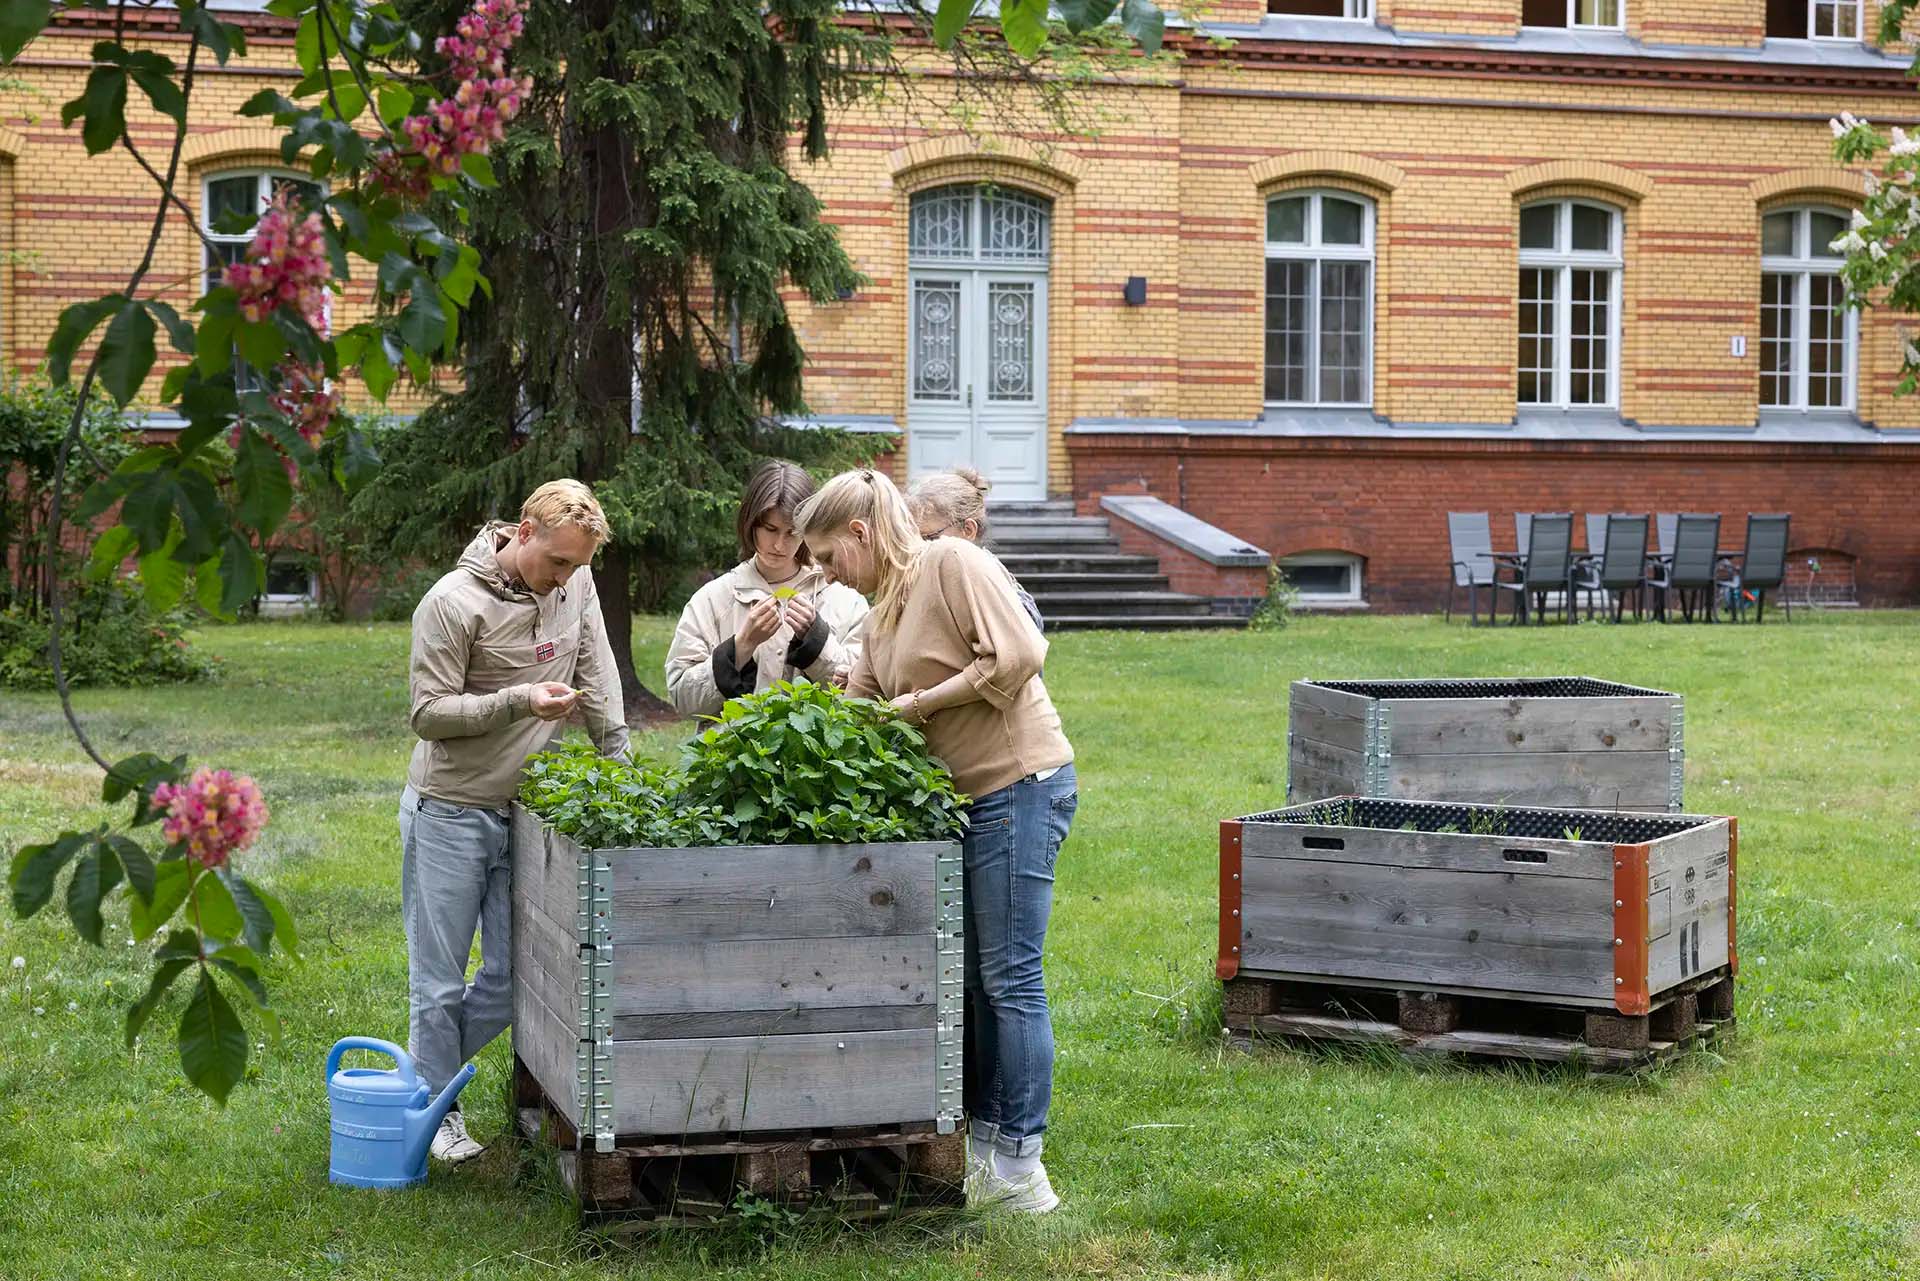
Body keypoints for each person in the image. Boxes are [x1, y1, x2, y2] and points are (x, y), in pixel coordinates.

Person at [794, 467, 1077, 1215]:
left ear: (859, 533)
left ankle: (1021, 1165)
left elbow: (1018, 657)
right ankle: (986, 1143)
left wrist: (917, 703)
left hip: (1019, 783)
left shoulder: (953, 563)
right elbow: (857, 711)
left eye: (829, 556)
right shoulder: (882, 611)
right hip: (969, 802)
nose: (827, 574)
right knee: (976, 982)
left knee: (1010, 976)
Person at [402, 479, 629, 1164]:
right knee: (439, 982)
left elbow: (595, 659)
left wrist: (617, 751)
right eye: (556, 561)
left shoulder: (576, 580)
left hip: (526, 812)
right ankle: (437, 1107)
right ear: (522, 532)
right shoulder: (451, 603)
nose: (565, 577)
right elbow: (428, 713)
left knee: (509, 981)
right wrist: (520, 700)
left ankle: (417, 1074)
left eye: (577, 565)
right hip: (450, 810)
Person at [665, 459, 870, 715]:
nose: (779, 545)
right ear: (750, 523)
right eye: (770, 529)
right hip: (730, 753)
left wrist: (817, 643)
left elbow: (863, 697)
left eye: (791, 533)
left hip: (817, 754)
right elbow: (682, 700)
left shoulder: (843, 597)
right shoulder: (713, 599)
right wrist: (740, 647)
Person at [906, 466, 1043, 632]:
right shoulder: (925, 577)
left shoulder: (986, 579)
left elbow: (1025, 638)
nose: (919, 548)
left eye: (930, 538)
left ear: (968, 530)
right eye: (914, 538)